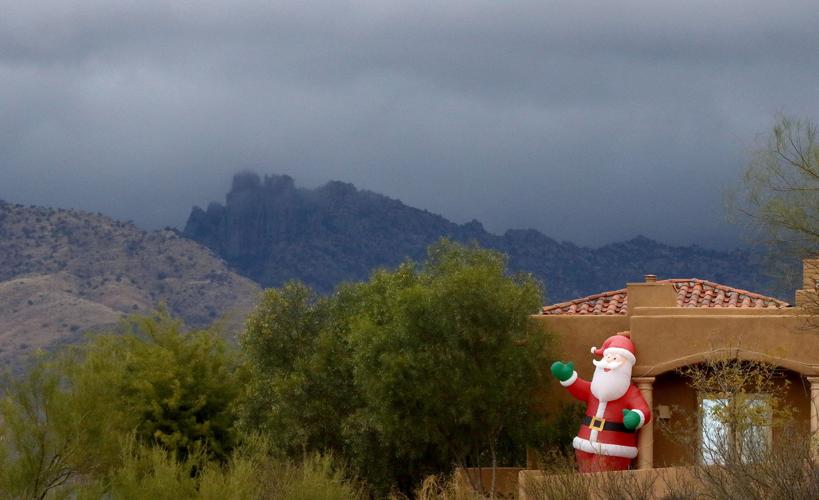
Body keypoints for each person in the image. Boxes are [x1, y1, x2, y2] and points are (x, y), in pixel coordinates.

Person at [550, 332, 651, 472]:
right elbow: (580, 388)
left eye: (614, 358)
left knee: (603, 483)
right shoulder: (594, 389)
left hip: (614, 447)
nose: (609, 362)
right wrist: (568, 378)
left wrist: (635, 416)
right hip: (584, 443)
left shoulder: (629, 393)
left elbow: (643, 410)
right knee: (585, 478)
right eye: (607, 357)